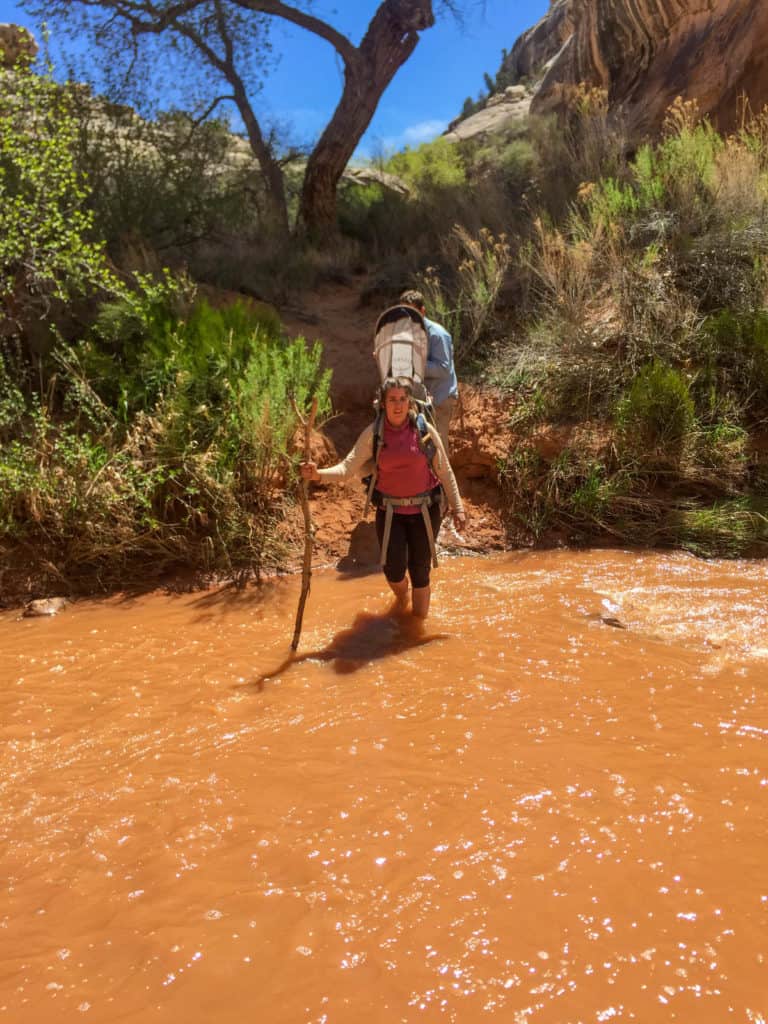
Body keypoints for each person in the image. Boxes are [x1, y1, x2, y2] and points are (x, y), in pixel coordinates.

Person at [300, 377, 466, 619]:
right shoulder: (374, 434)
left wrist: (458, 507)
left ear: (409, 402)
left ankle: (415, 631)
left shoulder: (424, 431)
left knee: (420, 572)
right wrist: (317, 474)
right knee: (393, 571)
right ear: (383, 403)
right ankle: (402, 597)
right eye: (392, 400)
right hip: (390, 513)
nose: (397, 405)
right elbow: (347, 469)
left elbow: (445, 470)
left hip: (425, 511)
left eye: (402, 399)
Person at [399, 288, 458, 455]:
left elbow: (443, 369)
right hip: (420, 400)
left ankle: (443, 481)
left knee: (437, 449)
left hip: (440, 399)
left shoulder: (438, 335)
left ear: (422, 311)